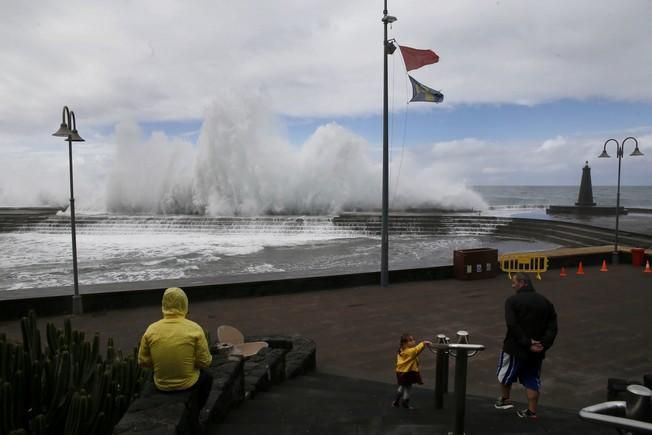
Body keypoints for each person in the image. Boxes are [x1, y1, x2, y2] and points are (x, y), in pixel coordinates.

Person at [138, 287, 213, 433]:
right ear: (185, 304)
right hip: (188, 383)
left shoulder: (151, 329)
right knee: (208, 378)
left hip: (161, 384)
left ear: (163, 305)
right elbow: (205, 362)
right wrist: (190, 364)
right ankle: (196, 413)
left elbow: (143, 362)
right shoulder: (194, 329)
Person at [495, 272, 558, 419]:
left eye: (514, 282)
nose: (512, 285)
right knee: (532, 378)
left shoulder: (512, 301)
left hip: (515, 348)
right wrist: (543, 344)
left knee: (505, 374)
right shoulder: (545, 302)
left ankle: (504, 400)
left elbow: (512, 324)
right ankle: (532, 411)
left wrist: (527, 342)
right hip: (537, 350)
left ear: (523, 283)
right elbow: (553, 327)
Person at [392, 333, 432, 409]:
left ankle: (396, 401)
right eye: (410, 340)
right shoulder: (410, 352)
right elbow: (416, 350)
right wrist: (424, 343)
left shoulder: (401, 350)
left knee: (401, 386)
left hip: (400, 372)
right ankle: (405, 403)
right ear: (405, 343)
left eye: (413, 339)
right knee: (407, 388)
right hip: (408, 372)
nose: (414, 341)